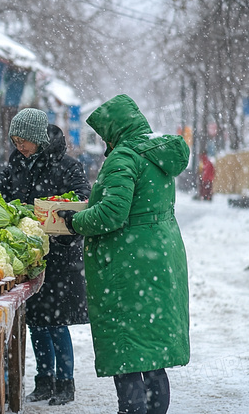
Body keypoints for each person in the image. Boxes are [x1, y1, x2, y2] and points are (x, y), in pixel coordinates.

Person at [57, 95, 190, 414]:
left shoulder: (125, 158)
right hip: (159, 255)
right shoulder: (157, 152)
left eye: (106, 134)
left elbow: (112, 214)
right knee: (152, 353)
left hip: (128, 263)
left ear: (114, 129)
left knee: (127, 351)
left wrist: (73, 222)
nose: (105, 141)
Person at [0, 108, 91, 406]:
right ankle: (43, 381)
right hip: (30, 256)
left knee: (57, 322)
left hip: (60, 256)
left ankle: (65, 383)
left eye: (23, 140)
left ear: (38, 138)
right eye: (14, 140)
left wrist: (63, 215)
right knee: (37, 322)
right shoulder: (17, 164)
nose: (19, 146)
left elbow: (84, 199)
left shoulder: (68, 167)